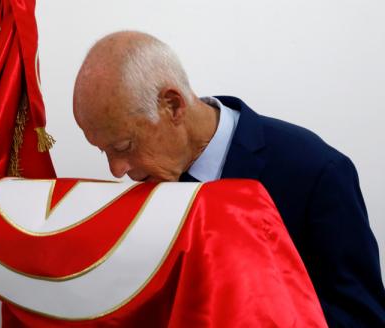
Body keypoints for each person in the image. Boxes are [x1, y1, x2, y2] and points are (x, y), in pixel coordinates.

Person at [72, 31, 385, 326]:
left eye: (124, 146)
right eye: (104, 152)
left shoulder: (318, 172)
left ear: (173, 105)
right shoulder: (149, 184)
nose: (116, 170)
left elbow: (362, 317)